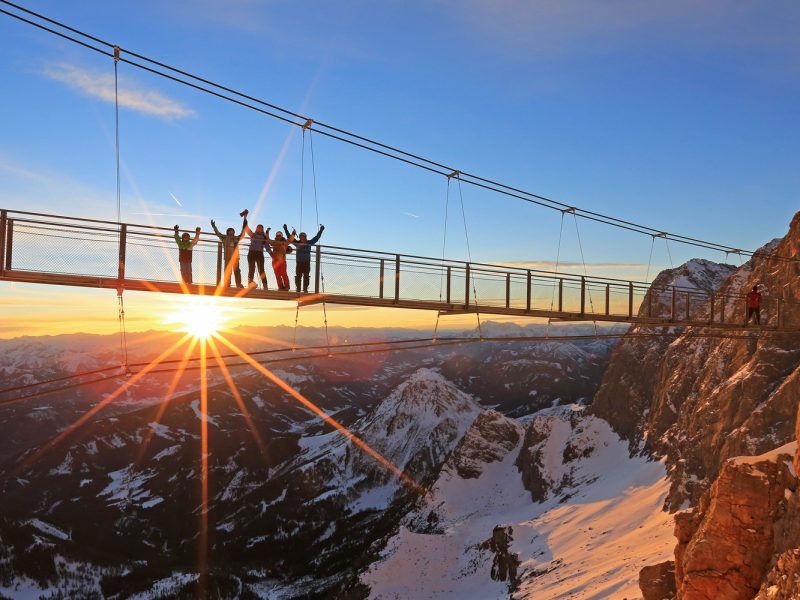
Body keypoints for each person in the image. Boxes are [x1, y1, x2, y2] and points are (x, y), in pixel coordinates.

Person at [284, 223, 325, 293]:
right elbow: (289, 237)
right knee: (298, 276)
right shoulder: (297, 243)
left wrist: (321, 230)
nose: (302, 238)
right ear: (299, 238)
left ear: (305, 237)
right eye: (301, 237)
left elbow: (316, 237)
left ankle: (305, 289)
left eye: (303, 237)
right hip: (299, 262)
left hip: (306, 262)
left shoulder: (309, 243)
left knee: (306, 276)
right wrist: (286, 229)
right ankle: (298, 288)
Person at [210, 214, 247, 289]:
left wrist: (245, 221)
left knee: (237, 271)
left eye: (233, 231)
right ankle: (227, 284)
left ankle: (239, 284)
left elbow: (242, 233)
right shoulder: (224, 238)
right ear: (228, 232)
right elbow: (218, 234)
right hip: (228, 257)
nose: (232, 232)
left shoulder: (236, 238)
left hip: (235, 258)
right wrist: (214, 227)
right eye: (230, 231)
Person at [243, 219, 270, 289]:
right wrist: (245, 218)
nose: (259, 229)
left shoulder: (264, 237)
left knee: (261, 270)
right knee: (251, 269)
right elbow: (246, 228)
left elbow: (267, 247)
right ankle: (250, 284)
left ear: (262, 229)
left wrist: (272, 255)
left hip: (259, 254)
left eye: (261, 228)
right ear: (256, 229)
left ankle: (265, 285)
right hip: (251, 253)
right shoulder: (253, 234)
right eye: (258, 228)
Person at [266, 227, 296, 291]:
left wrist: (293, 233)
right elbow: (268, 240)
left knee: (283, 274)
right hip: (275, 260)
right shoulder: (274, 242)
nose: (278, 236)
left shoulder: (284, 242)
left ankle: (287, 287)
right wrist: (267, 231)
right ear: (276, 236)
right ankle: (280, 287)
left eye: (279, 235)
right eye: (277, 235)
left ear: (281, 236)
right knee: (277, 274)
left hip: (282, 260)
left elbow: (290, 240)